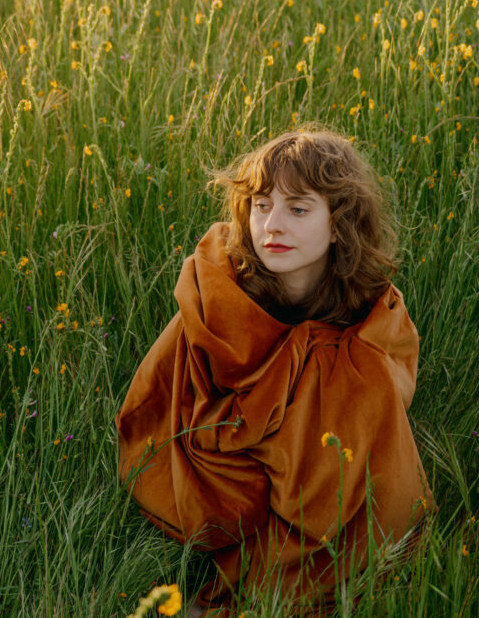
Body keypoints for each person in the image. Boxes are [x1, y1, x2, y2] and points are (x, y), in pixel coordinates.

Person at [115, 127, 434, 614]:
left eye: (298, 209)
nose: (272, 227)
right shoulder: (218, 292)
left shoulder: (370, 313)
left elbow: (381, 403)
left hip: (318, 471)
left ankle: (291, 572)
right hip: (217, 463)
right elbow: (167, 398)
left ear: (338, 223)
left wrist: (315, 375)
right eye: (262, 206)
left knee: (352, 372)